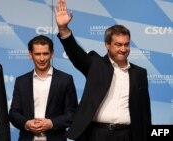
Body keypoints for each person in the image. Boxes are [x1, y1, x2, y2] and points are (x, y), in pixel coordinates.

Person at [53, 0, 151, 141]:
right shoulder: (95, 64)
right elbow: (76, 54)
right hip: (96, 134)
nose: (123, 49)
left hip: (126, 135)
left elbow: (144, 111)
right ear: (107, 45)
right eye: (118, 44)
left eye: (126, 44)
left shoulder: (139, 73)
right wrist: (63, 30)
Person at [9, 35, 78, 141]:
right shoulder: (21, 81)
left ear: (52, 54)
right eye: (37, 54)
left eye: (45, 54)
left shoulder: (65, 80)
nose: (42, 58)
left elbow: (72, 114)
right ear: (30, 55)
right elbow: (13, 113)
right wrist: (27, 123)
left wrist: (51, 123)